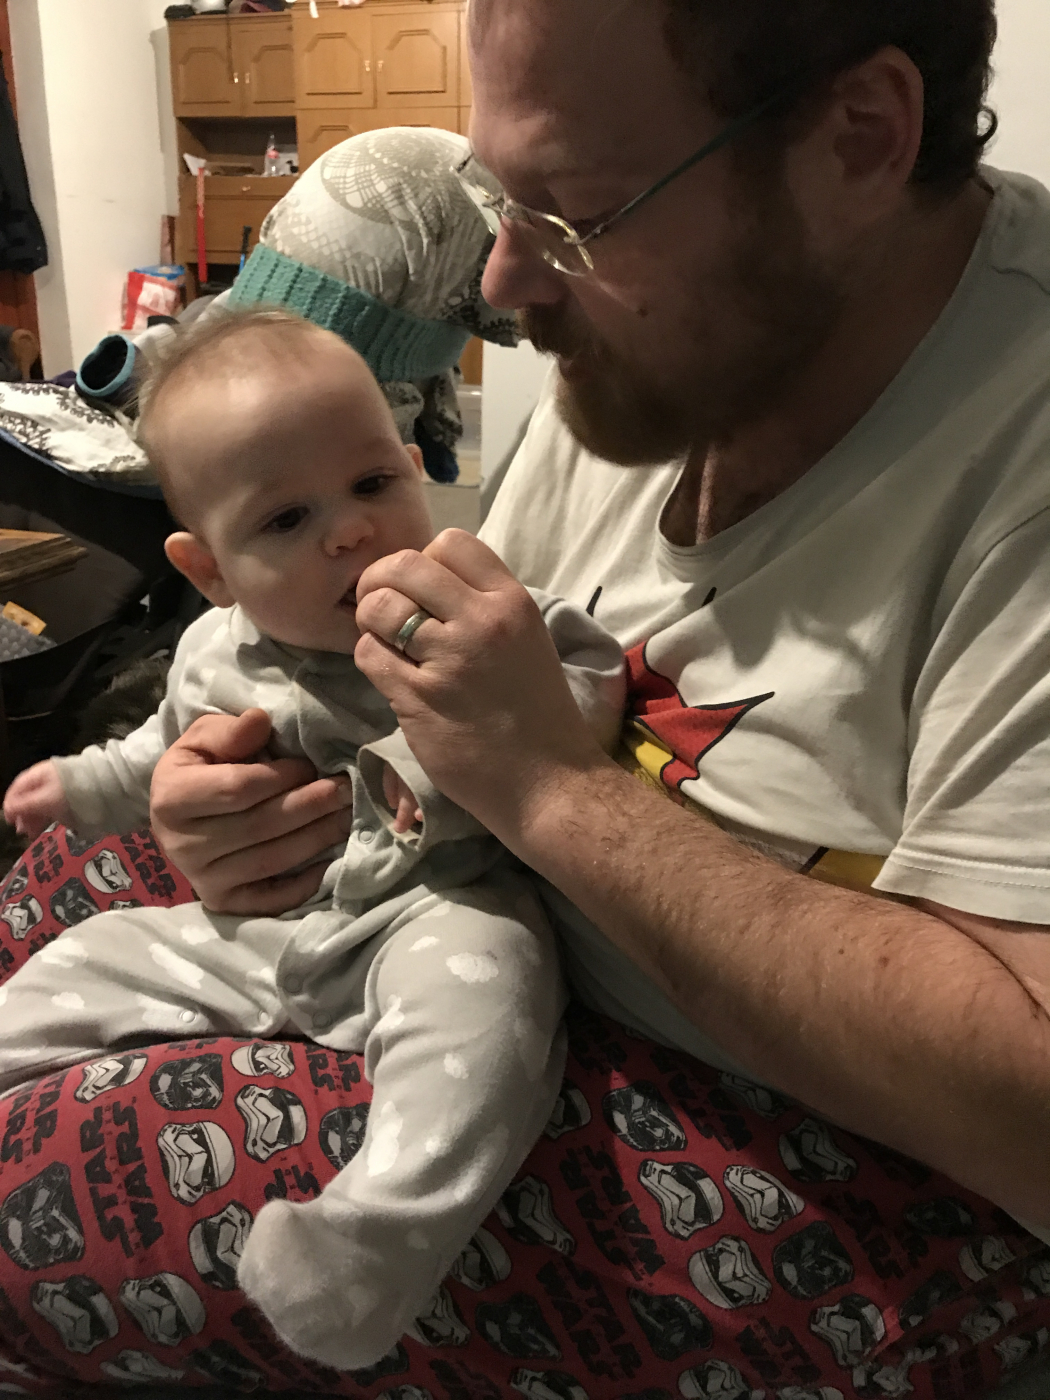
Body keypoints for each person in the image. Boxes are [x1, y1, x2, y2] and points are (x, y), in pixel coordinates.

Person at [0, 308, 624, 1371]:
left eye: (374, 482)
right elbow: (157, 750)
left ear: (415, 466)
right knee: (85, 954)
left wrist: (432, 766)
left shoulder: (472, 606)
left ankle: (373, 1244)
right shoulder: (213, 649)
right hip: (265, 929)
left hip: (431, 910)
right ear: (211, 570)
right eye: (288, 518)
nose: (351, 532)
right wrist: (84, 782)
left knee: (496, 997)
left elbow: (585, 677)